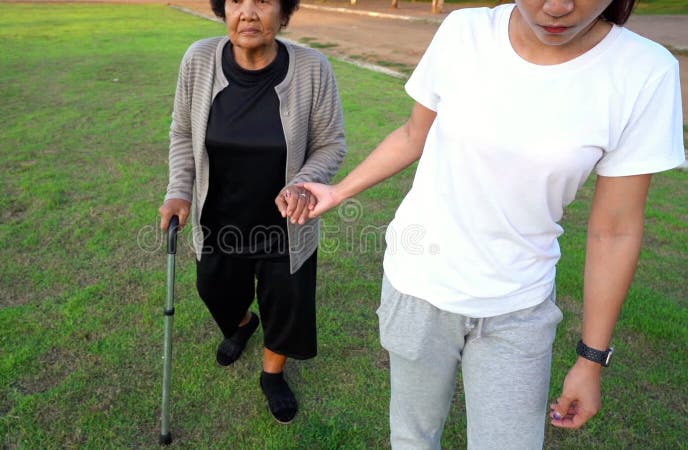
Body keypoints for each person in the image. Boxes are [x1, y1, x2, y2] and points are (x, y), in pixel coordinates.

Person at [302, 0, 684, 447]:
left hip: (518, 305)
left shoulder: (643, 71)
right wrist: (339, 191)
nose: (556, 7)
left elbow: (614, 230)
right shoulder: (465, 31)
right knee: (412, 437)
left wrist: (591, 359)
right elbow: (414, 134)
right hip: (417, 286)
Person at [158, 0, 346, 424]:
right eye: (235, 1)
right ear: (222, 10)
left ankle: (272, 374)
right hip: (219, 220)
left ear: (285, 13)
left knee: (285, 305)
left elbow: (332, 143)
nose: (247, 12)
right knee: (214, 291)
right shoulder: (199, 58)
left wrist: (303, 183)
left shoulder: (313, 68)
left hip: (287, 224)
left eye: (262, 1)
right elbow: (182, 132)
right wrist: (178, 191)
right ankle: (242, 324)